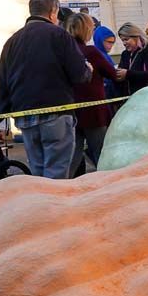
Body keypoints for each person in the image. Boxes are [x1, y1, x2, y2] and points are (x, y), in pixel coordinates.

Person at [0, 0, 91, 179]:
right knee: (56, 173)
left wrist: (3, 108)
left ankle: (40, 198)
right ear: (53, 11)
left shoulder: (12, 41)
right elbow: (79, 74)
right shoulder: (59, 35)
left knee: (38, 175)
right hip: (56, 113)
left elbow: (2, 82)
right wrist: (88, 70)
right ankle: (54, 200)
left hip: (25, 115)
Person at [63, 13, 119, 176]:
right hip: (94, 111)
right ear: (86, 30)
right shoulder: (91, 52)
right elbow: (111, 73)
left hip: (71, 110)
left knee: (73, 154)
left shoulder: (64, 52)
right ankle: (108, 183)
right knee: (102, 153)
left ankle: (63, 184)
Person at [116, 22, 148, 95]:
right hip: (129, 98)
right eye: (122, 40)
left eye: (126, 39)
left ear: (136, 37)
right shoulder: (125, 54)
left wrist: (128, 74)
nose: (124, 43)